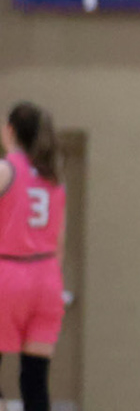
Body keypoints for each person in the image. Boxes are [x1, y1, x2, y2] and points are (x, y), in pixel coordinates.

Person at [0, 103, 67, 411]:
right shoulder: (54, 178)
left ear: (10, 130)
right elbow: (60, 243)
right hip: (47, 278)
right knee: (35, 381)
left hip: (9, 274)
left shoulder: (5, 169)